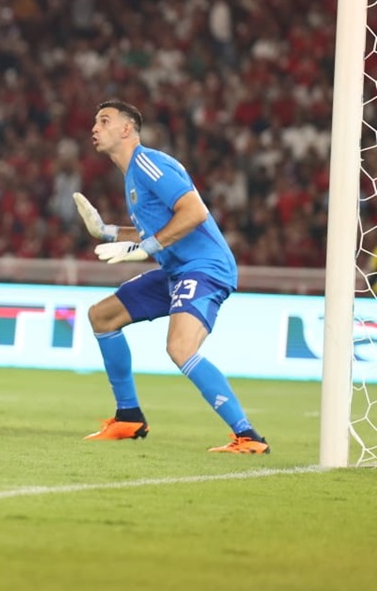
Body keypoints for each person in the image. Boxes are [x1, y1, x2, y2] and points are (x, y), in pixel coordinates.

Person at [75, 99, 270, 454]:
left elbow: (193, 212)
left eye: (103, 121)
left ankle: (249, 437)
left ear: (126, 129)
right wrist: (105, 231)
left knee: (180, 348)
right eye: (94, 122)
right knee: (102, 316)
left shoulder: (148, 163)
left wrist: (146, 248)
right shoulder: (133, 177)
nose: (94, 128)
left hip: (204, 267)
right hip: (175, 271)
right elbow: (153, 231)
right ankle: (128, 417)